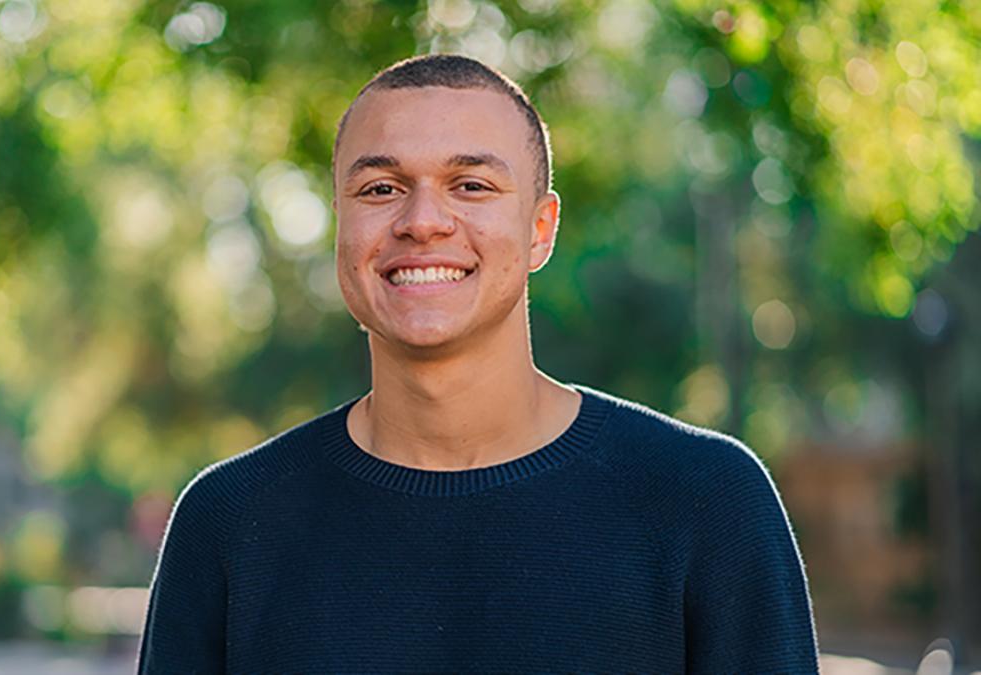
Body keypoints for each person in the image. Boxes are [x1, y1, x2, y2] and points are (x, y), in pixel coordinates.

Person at [138, 54, 819, 673]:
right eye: (380, 189)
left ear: (540, 229)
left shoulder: (707, 502)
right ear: (340, 227)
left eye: (470, 185)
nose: (422, 220)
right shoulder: (229, 523)